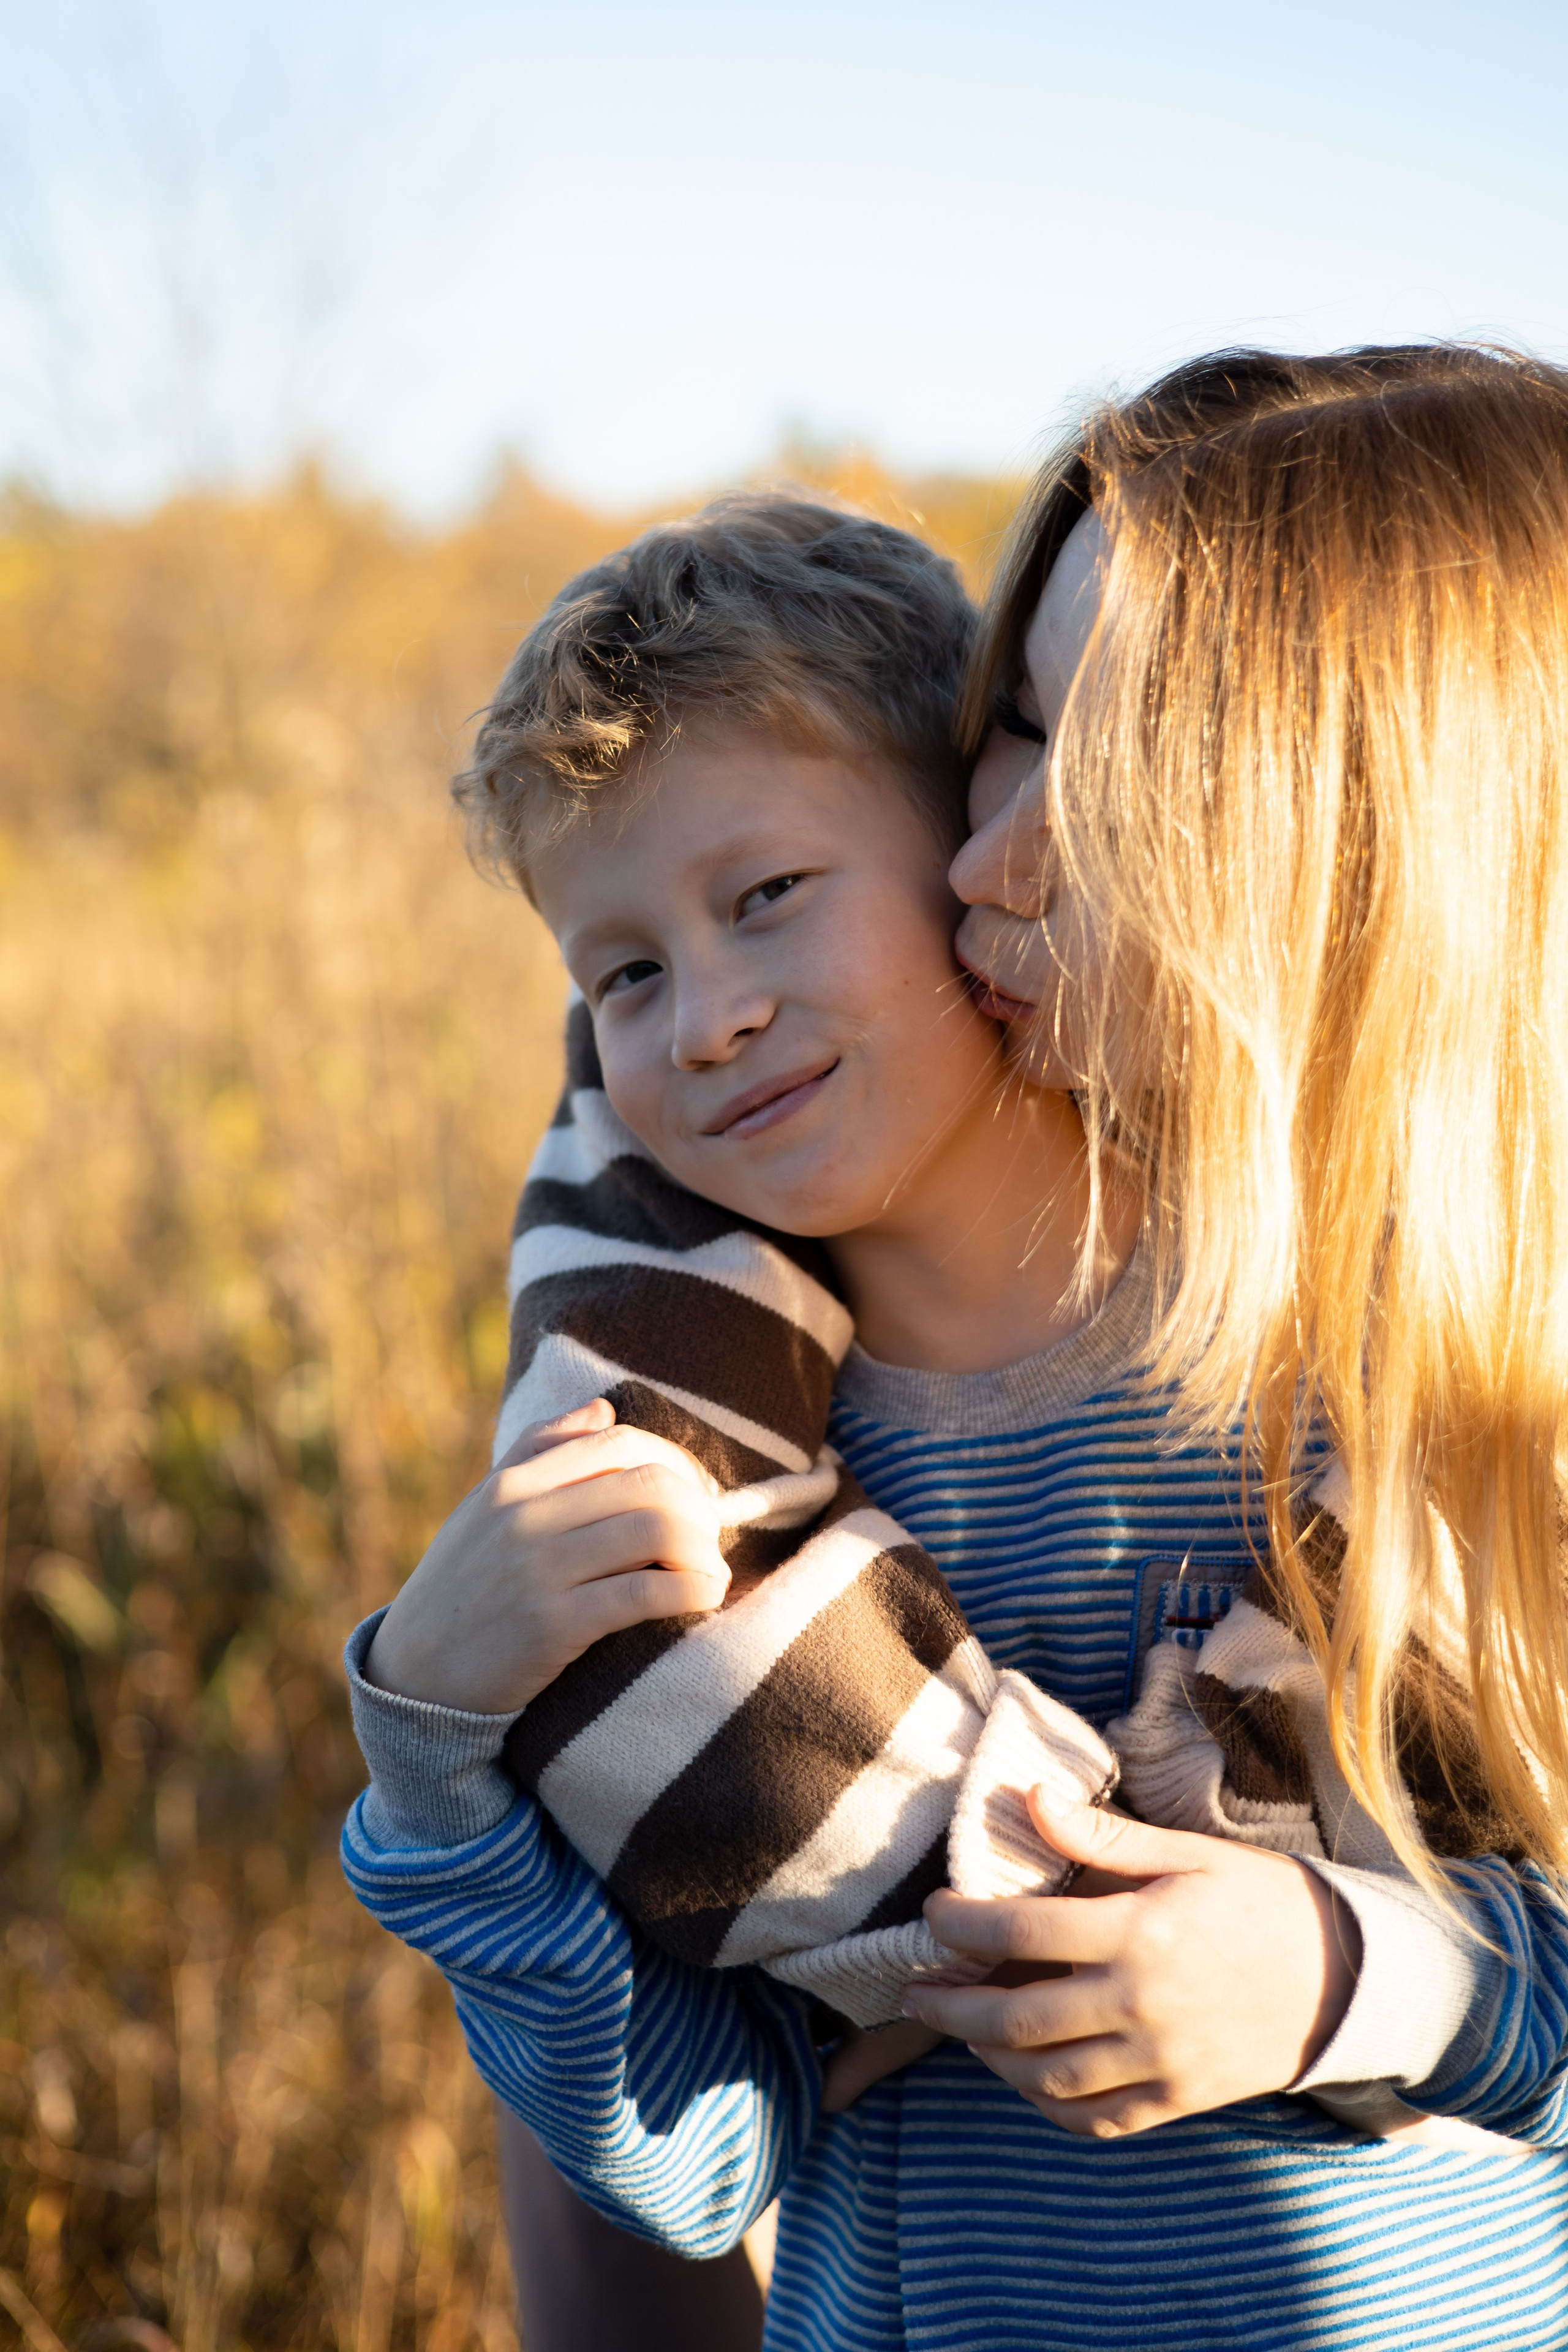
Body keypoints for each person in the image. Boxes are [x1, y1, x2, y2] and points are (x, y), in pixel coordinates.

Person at [342, 375, 1568, 2350]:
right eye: (624, 975)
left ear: (957, 835)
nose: (711, 1017)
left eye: (768, 899)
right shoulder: (696, 1486)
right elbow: (691, 2159)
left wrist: (1347, 1970)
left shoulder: (1387, 1373)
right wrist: (436, 1764)